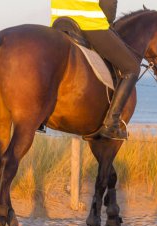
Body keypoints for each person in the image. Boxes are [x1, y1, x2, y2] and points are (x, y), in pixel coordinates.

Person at [50, 0, 140, 140]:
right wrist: (107, 20)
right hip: (89, 22)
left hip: (59, 21)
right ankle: (111, 124)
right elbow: (108, 8)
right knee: (132, 67)